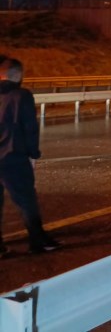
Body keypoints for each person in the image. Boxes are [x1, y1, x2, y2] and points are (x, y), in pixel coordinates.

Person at [0, 57, 61, 256]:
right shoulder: (21, 96)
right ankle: (37, 241)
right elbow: (30, 129)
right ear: (18, 75)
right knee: (26, 200)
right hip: (13, 158)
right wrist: (33, 155)